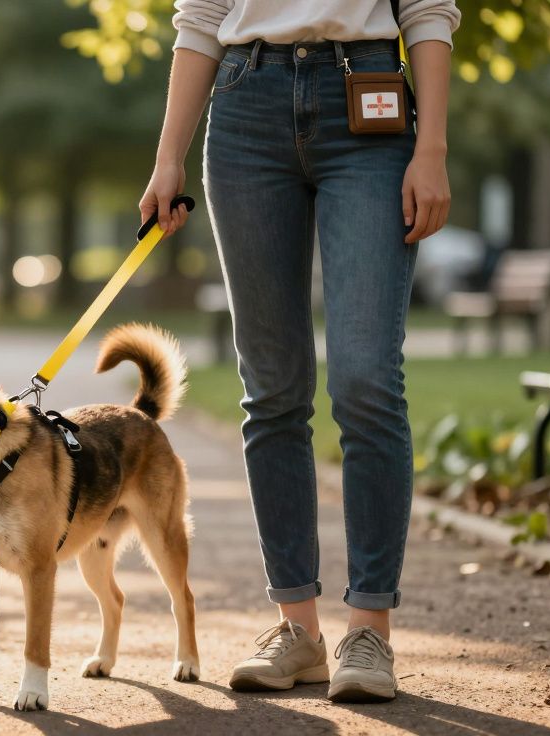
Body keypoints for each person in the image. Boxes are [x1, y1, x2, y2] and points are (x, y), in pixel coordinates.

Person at [142, 0, 459, 702]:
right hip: (244, 104)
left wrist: (431, 145)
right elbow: (200, 17)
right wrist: (168, 157)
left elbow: (430, 11)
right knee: (273, 388)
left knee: (366, 378)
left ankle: (369, 629)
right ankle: (298, 629)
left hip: (369, 100)